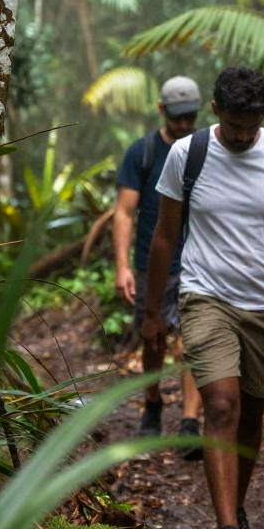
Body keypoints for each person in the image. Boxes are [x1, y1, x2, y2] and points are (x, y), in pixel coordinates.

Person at [143, 66, 264, 529]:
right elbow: (165, 235)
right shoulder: (188, 154)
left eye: (252, 124)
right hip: (206, 296)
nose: (243, 135)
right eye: (235, 124)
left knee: (249, 415)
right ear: (216, 110)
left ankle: (235, 509)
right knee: (221, 404)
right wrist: (153, 311)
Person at [114, 75, 203, 447]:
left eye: (190, 116)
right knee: (153, 339)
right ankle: (152, 403)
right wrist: (122, 266)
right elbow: (124, 213)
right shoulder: (143, 152)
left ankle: (189, 421)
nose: (184, 123)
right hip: (154, 264)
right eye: (177, 116)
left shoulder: (205, 149)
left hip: (199, 261)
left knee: (193, 341)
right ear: (162, 110)